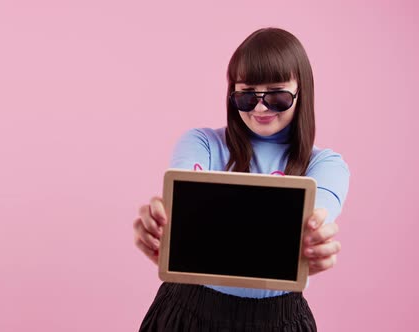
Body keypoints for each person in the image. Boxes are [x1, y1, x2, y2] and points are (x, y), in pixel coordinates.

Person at [133, 27, 350, 331]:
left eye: (276, 95)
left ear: (302, 91)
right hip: (187, 309)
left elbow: (316, 218)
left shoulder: (325, 165)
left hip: (278, 319)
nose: (260, 107)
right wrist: (163, 222)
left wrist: (313, 239)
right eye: (246, 95)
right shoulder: (203, 143)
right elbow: (183, 198)